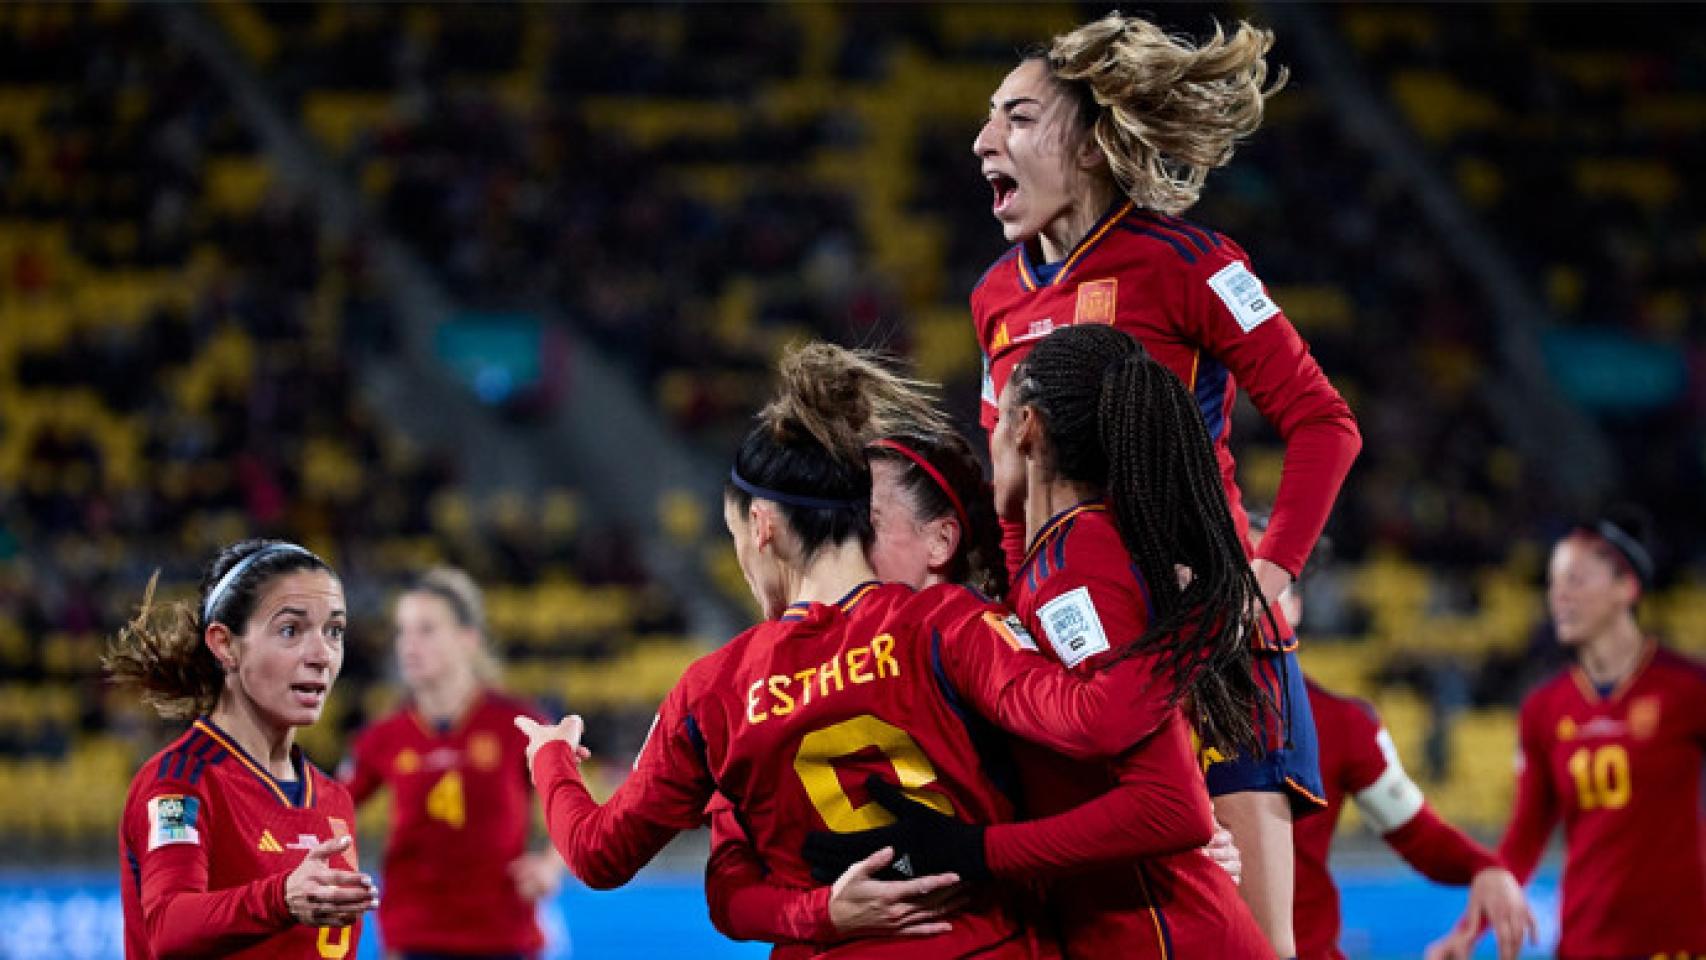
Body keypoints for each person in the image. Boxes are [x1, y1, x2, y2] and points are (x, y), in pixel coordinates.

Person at [517, 342, 1243, 958]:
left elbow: (630, 862)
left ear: (762, 527)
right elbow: (1092, 730)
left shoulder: (714, 691)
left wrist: (551, 757)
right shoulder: (957, 627)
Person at [968, 14, 1362, 952]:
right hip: (1087, 661)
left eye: (1018, 118)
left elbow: (1324, 424)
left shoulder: (1193, 264)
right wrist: (1023, 613)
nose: (985, 141)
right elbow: (1007, 495)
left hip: (1210, 648)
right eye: (989, 120)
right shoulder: (994, 299)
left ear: (1095, 142)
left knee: (1256, 944)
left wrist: (1265, 575)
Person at [1237, 512, 1534, 960]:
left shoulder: (1344, 723)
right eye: (1240, 574)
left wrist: (1484, 867)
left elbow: (1415, 832)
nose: (1255, 595)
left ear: (1296, 606)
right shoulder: (1163, 714)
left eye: (1274, 581)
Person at [1430, 510, 1706, 960]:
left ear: (1626, 587)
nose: (1559, 595)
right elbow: (1524, 838)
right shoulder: (1544, 707)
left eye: (1576, 579)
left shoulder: (1687, 690)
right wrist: (1467, 933)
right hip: (1586, 942)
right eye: (1554, 582)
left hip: (1679, 943)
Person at [107, 539, 377, 959]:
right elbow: (167, 926)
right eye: (291, 630)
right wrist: (280, 899)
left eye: (334, 631)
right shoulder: (180, 782)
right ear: (224, 645)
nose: (322, 654)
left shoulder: (333, 799)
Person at [340, 567, 561, 960]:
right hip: (412, 937)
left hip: (504, 936)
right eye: (402, 631)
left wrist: (549, 865)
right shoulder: (383, 736)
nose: (409, 644)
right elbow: (331, 809)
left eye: (426, 630)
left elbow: (572, 805)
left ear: (468, 639)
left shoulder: (518, 724)